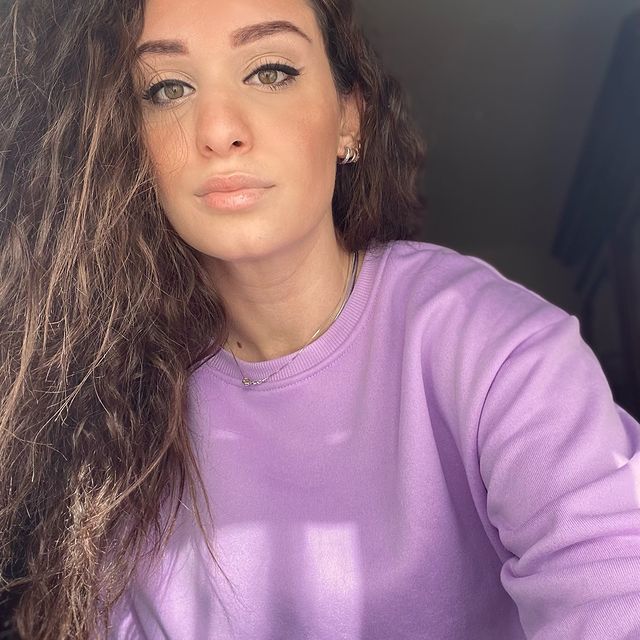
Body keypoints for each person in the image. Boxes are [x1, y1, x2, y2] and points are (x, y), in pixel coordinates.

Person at [0, 0, 638, 638]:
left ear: (349, 119)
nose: (218, 129)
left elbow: (611, 577)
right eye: (168, 88)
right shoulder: (107, 405)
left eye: (270, 71)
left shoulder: (492, 347)